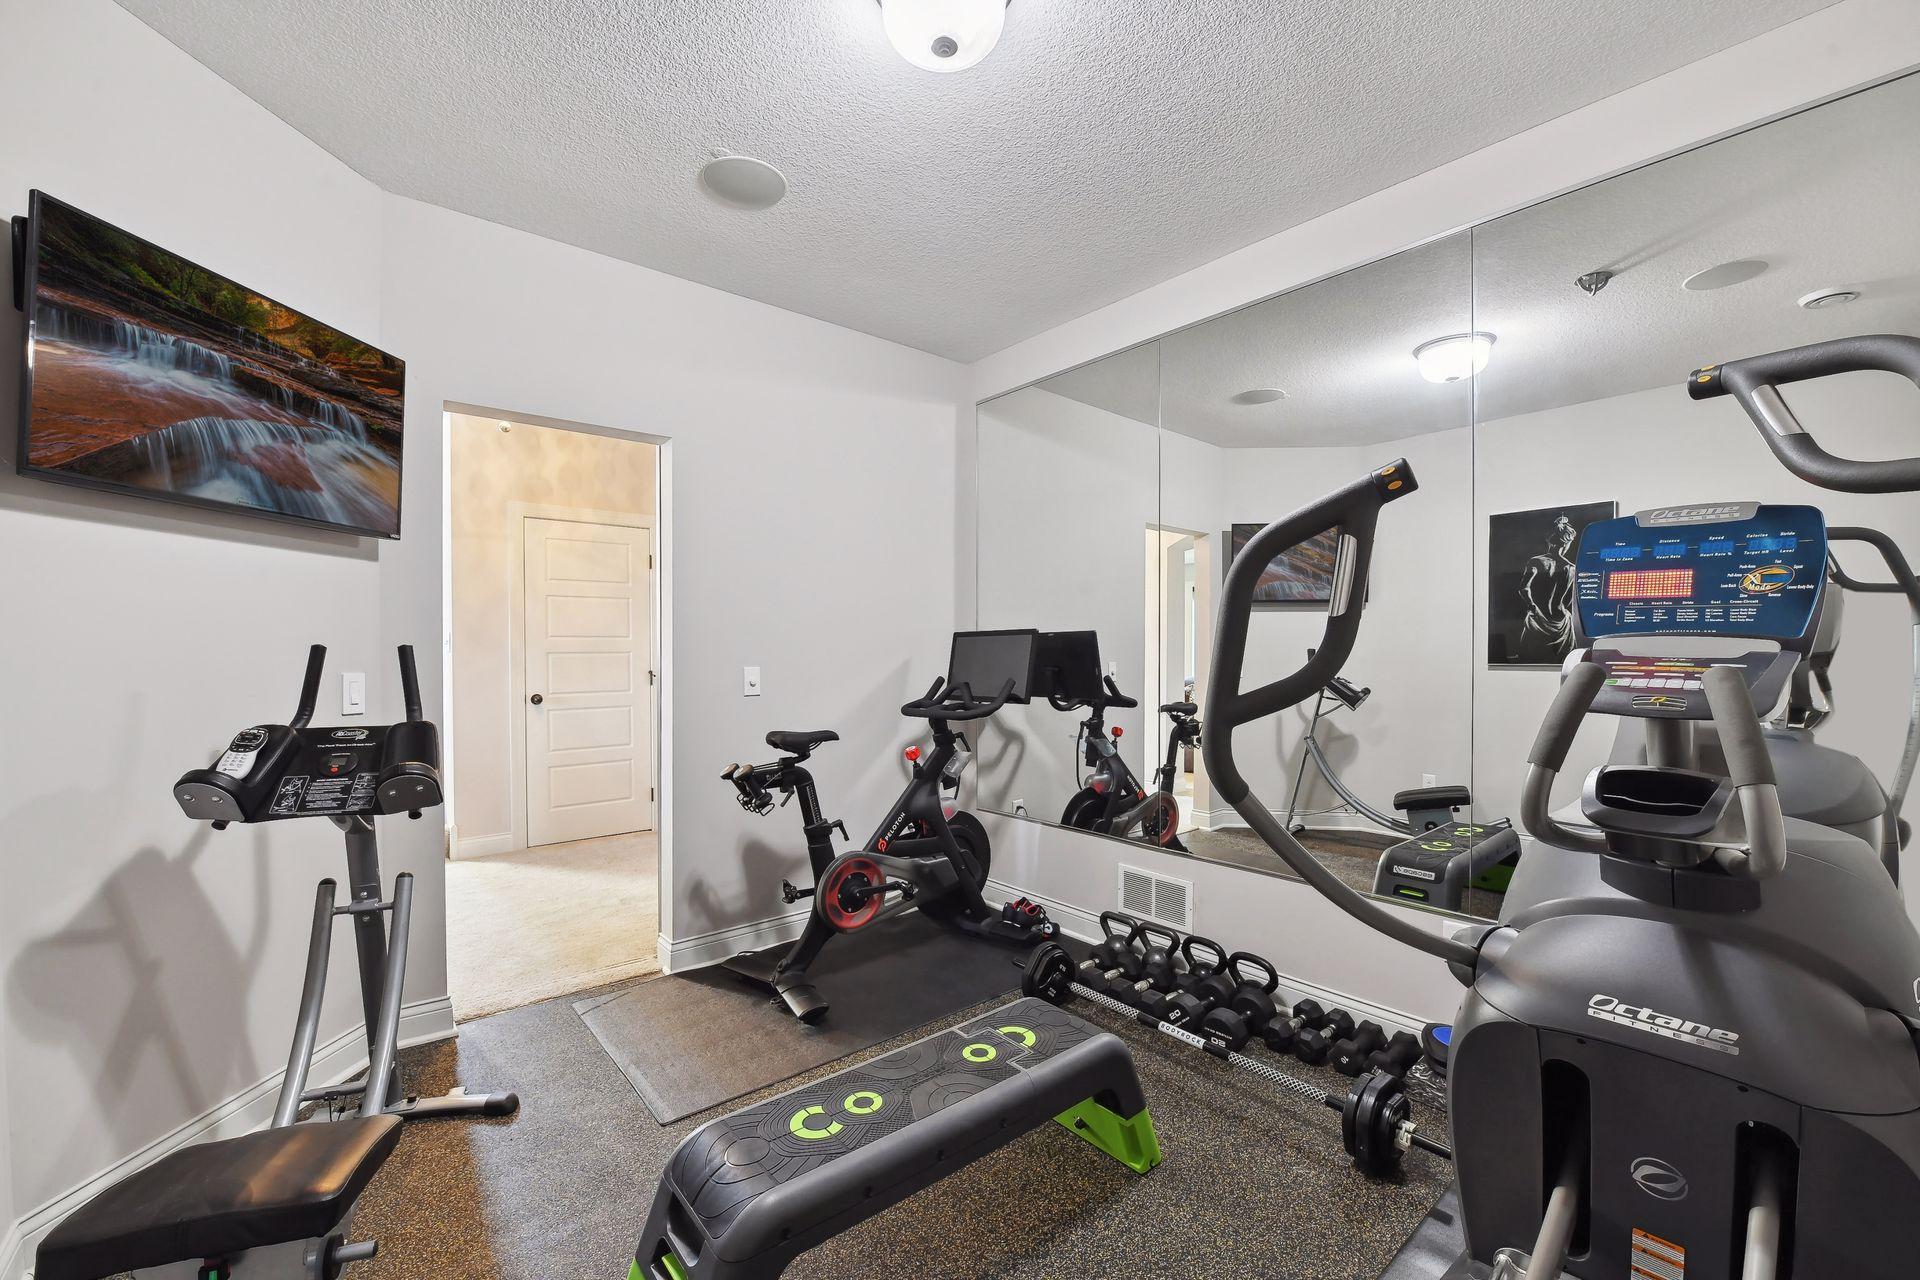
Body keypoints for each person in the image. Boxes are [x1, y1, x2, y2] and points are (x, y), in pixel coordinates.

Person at [1515, 513, 1577, 663]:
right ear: (1567, 543)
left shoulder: (1536, 561)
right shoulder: (1572, 568)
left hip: (1538, 619)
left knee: (1528, 661)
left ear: (1549, 540)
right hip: (1562, 621)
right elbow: (1570, 601)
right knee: (1563, 664)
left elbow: (1524, 589)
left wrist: (1533, 607)